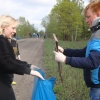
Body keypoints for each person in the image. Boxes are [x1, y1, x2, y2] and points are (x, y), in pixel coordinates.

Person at [53, 2, 100, 100]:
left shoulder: (98, 35)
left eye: (88, 17)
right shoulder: (96, 33)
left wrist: (66, 60)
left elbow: (92, 62)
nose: (86, 20)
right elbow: (83, 52)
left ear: (98, 15)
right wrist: (64, 51)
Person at [0, 15, 44, 100]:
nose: (15, 31)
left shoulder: (4, 40)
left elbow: (11, 60)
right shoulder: (1, 41)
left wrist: (29, 65)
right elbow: (6, 62)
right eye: (13, 28)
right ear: (3, 27)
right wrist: (29, 71)